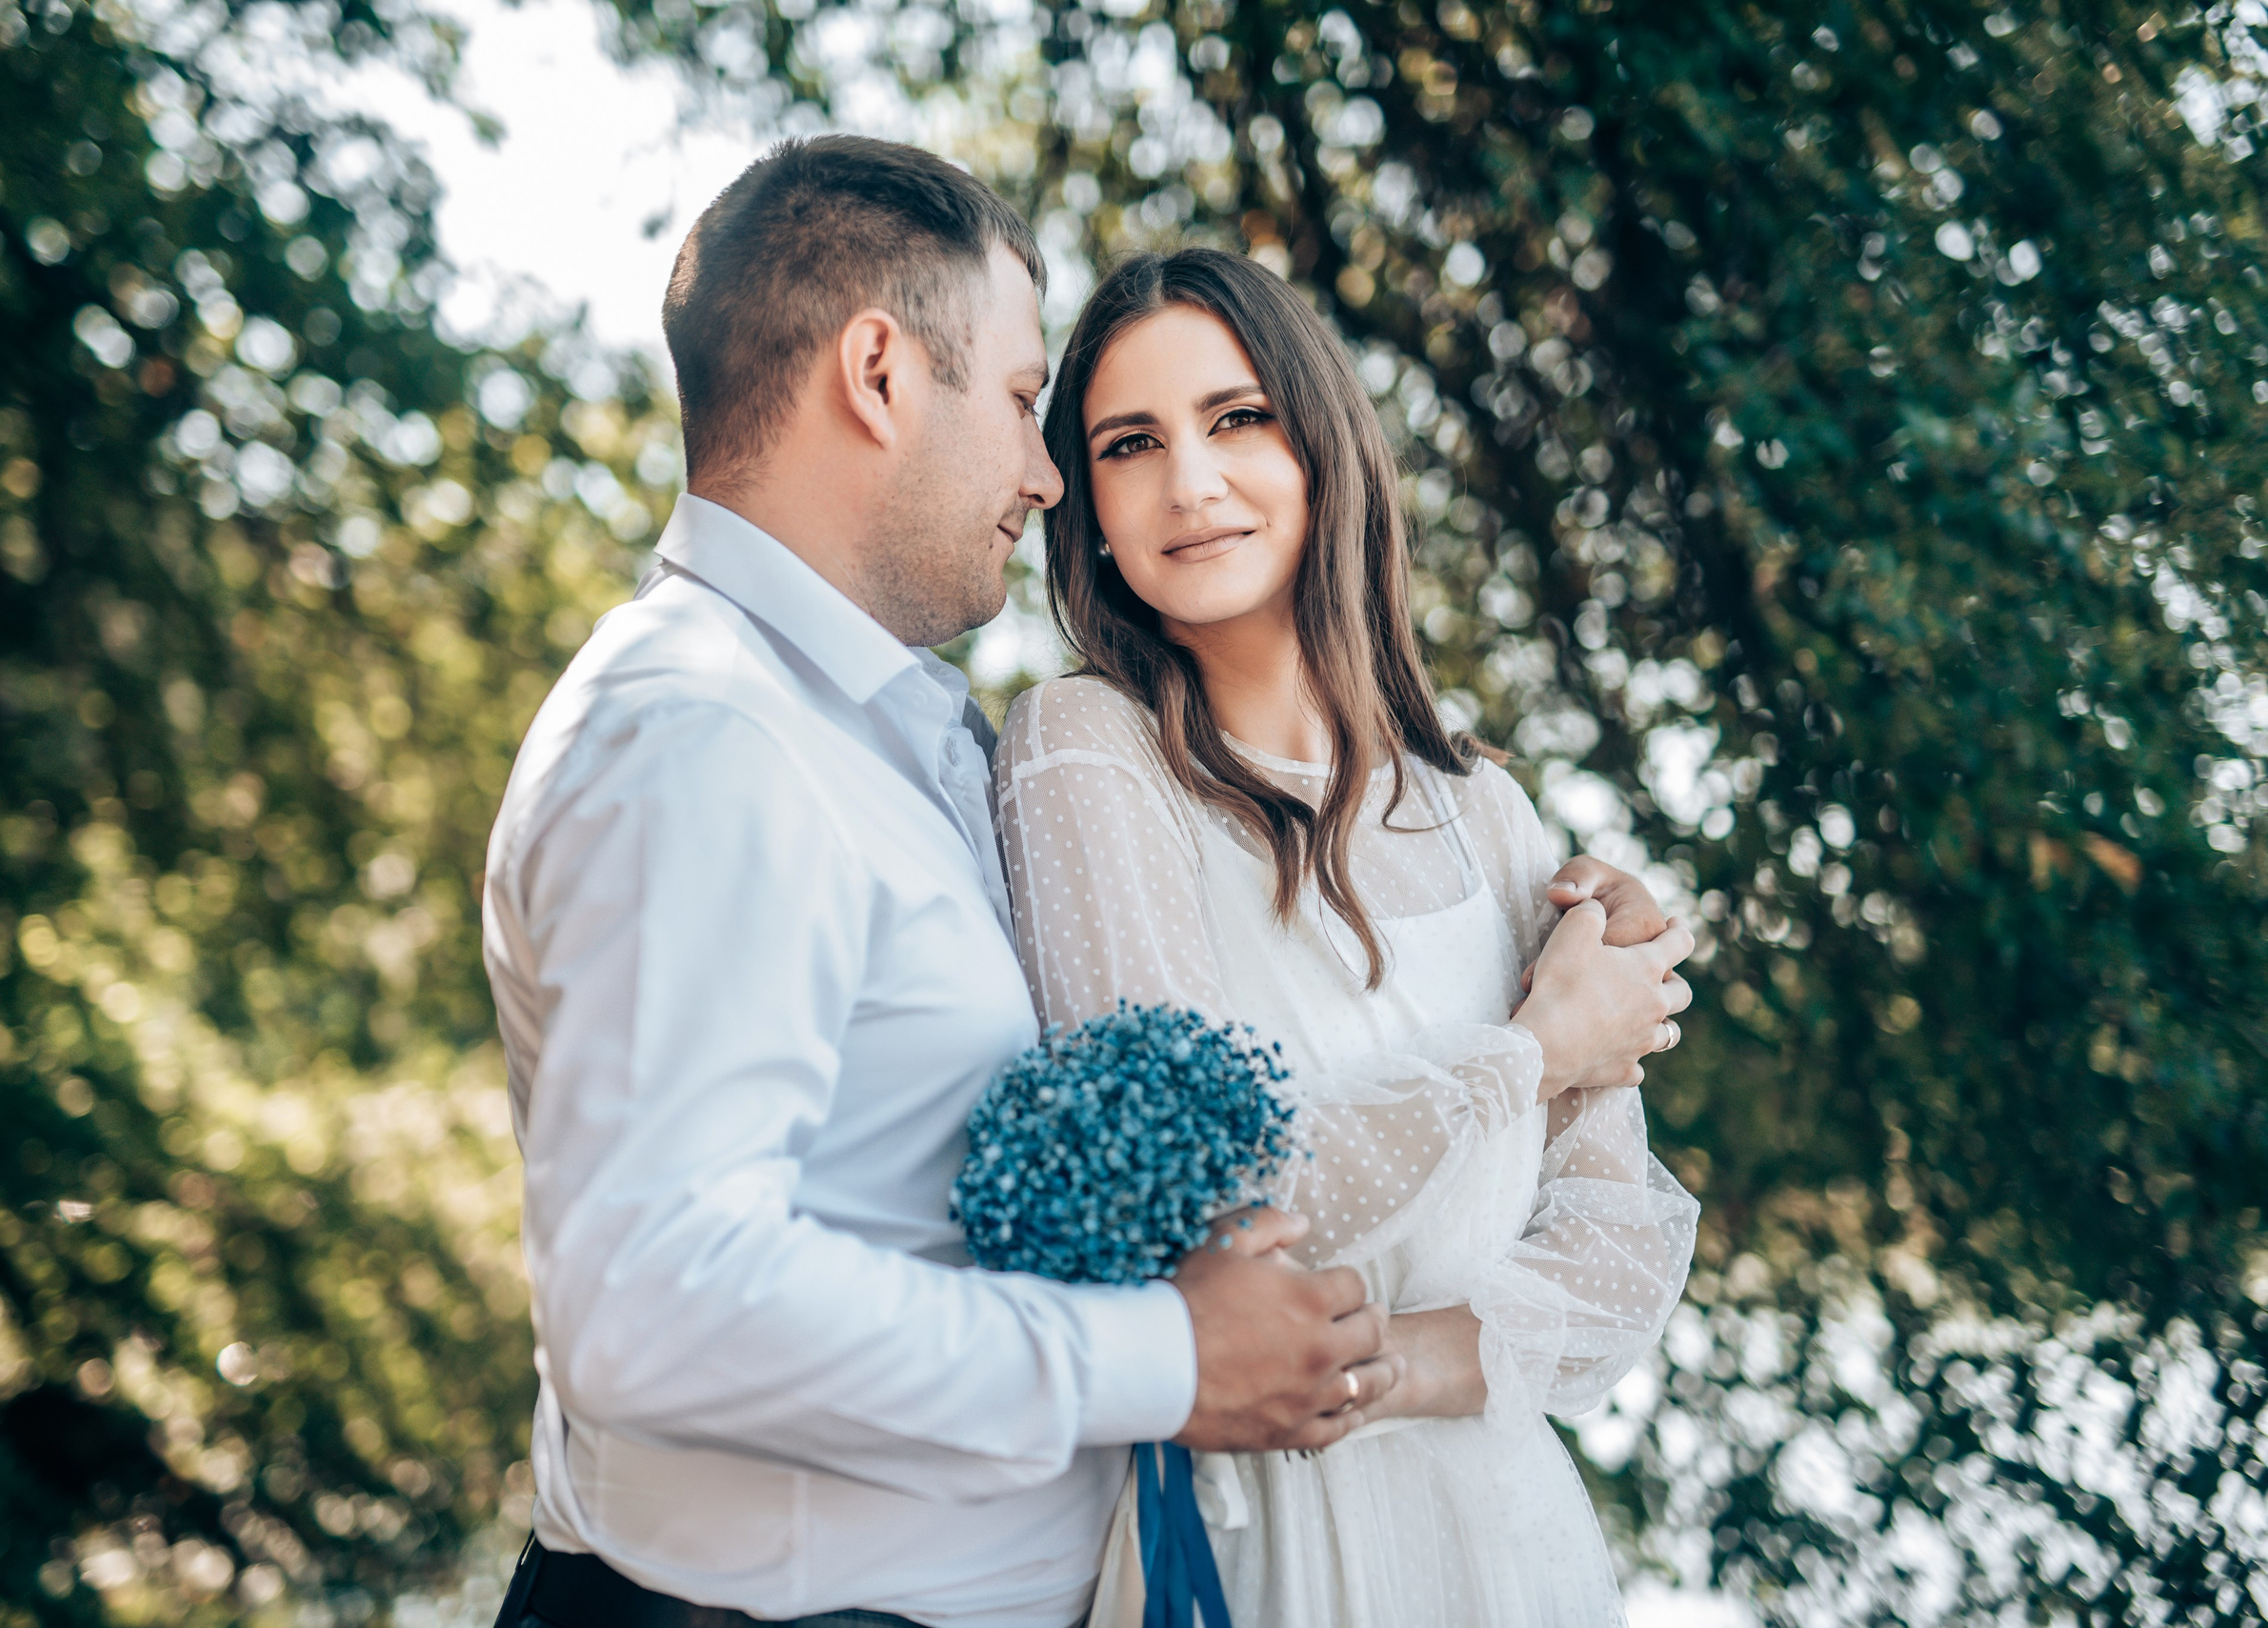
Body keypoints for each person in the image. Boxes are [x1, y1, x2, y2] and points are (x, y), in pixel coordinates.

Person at [479, 138, 1410, 1628]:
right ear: (880, 372)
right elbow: (653, 1303)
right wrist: (1167, 1360)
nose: (1045, 477)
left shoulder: (898, 731)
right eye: (1026, 399)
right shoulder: (702, 733)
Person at [998, 248, 1701, 1627]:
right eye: (1129, 444)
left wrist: (1391, 1367)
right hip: (1259, 1546)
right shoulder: (1085, 749)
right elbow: (1190, 1188)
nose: (1189, 482)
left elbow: (1616, 1251)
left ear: (1321, 444)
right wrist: (1533, 1052)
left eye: (1236, 417)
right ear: (1088, 506)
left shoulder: (1491, 816)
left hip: (1507, 1539)